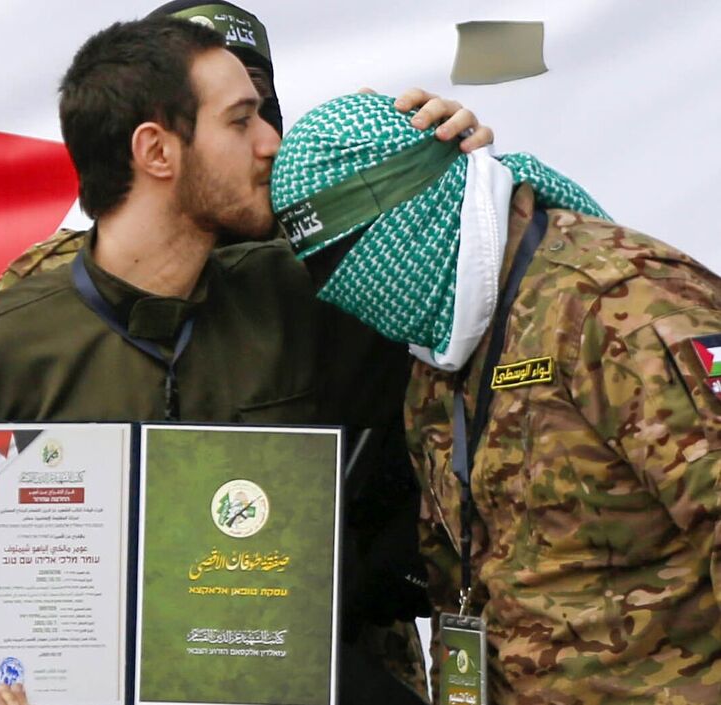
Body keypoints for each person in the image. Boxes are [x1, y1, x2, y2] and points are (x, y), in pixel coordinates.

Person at [0, 15, 494, 705]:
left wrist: (451, 171)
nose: (272, 142)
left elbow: (474, 321)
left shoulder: (310, 300)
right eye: (241, 121)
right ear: (156, 150)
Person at [270, 91, 721, 704]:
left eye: (346, 258)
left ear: (414, 207)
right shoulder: (445, 341)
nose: (345, 290)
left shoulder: (621, 309)